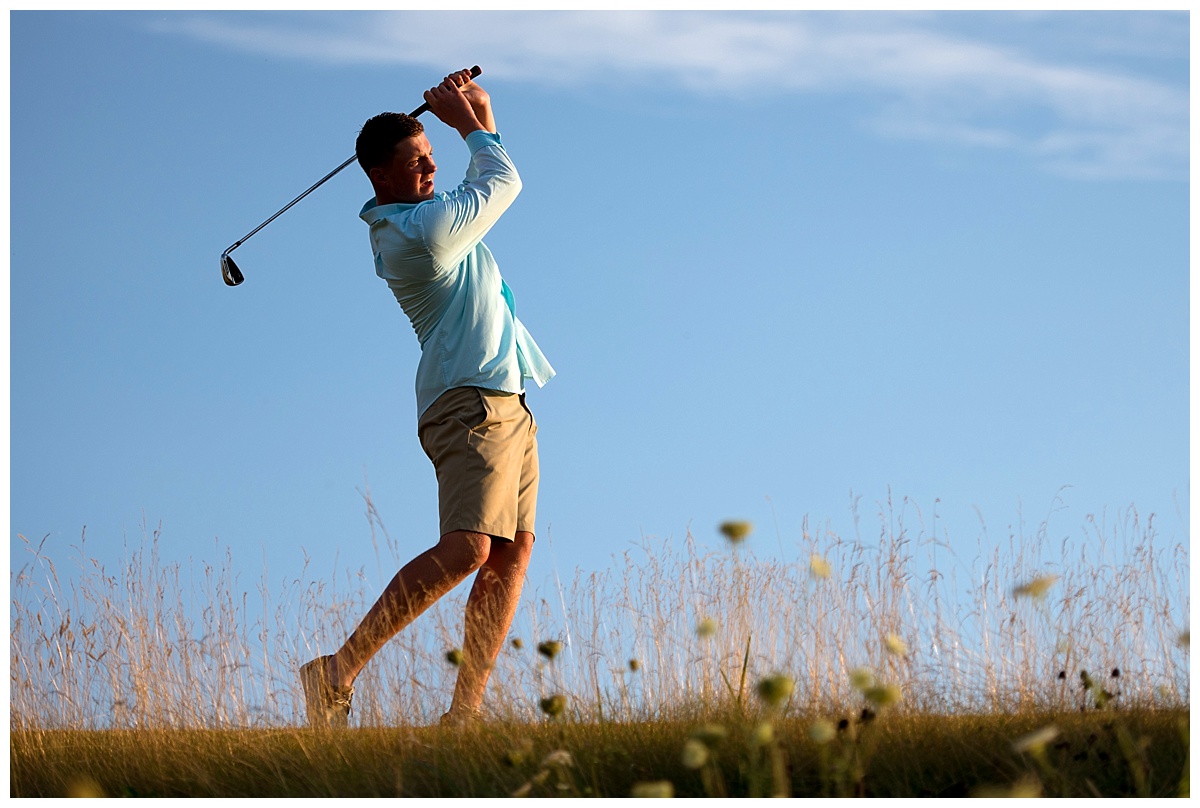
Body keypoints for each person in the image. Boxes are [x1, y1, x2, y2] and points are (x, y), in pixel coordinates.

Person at [299, 69, 553, 728]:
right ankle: (338, 669)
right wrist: (469, 126)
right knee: (469, 547)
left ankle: (464, 714)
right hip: (469, 402)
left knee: (511, 552)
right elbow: (502, 182)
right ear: (379, 174)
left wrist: (481, 113)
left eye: (432, 156)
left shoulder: (427, 217)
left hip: (507, 400)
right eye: (417, 161)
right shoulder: (417, 234)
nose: (431, 169)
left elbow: (484, 179)